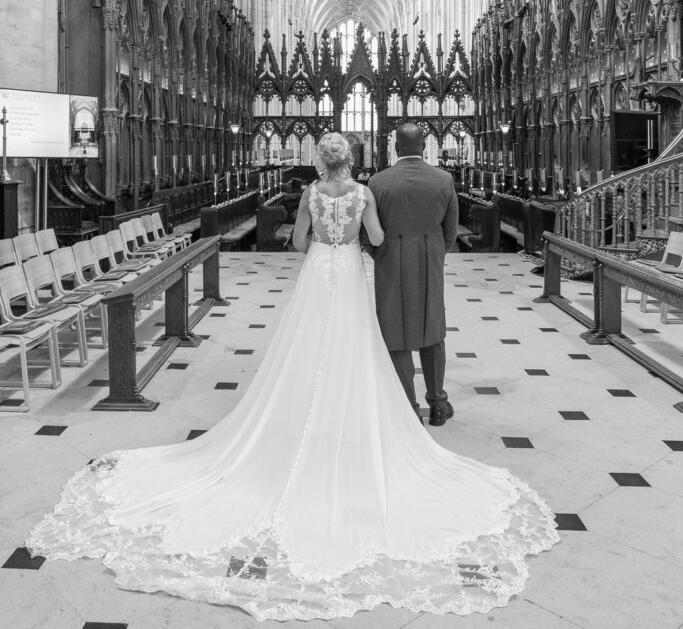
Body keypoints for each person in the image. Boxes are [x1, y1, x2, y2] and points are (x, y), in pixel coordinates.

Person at [26, 132, 558, 621]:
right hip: (350, 273)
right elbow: (375, 238)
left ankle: (297, 417)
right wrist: (364, 244)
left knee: (304, 348)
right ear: (350, 159)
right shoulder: (369, 192)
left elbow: (299, 244)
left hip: (319, 275)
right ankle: (386, 411)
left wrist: (327, 243)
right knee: (360, 345)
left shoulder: (312, 195)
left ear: (318, 161)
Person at [367, 122, 458, 425]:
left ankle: (409, 409)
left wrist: (381, 253)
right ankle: (438, 405)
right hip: (430, 260)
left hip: (391, 262)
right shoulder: (444, 179)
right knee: (433, 331)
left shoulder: (378, 182)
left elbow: (370, 232)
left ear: (395, 147)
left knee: (396, 334)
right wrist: (434, 252)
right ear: (424, 146)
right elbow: (450, 232)